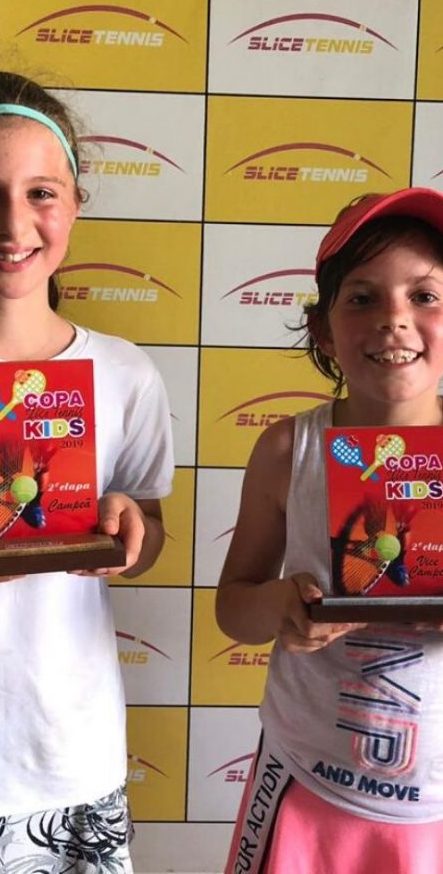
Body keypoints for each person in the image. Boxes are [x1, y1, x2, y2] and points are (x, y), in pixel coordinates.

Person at [0, 71, 173, 873]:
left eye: (41, 192)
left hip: (70, 759)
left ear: (75, 204)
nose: (14, 222)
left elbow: (148, 533)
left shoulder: (126, 374)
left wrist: (132, 531)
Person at [216, 187, 443, 874]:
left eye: (425, 296)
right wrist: (280, 606)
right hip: (304, 782)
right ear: (322, 329)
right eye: (363, 298)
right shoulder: (290, 449)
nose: (394, 319)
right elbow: (234, 608)